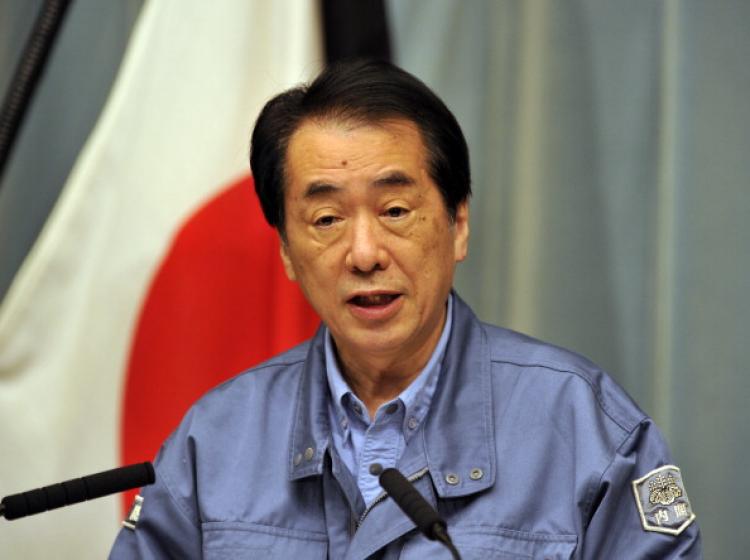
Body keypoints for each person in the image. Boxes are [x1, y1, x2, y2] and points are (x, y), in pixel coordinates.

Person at [110, 60, 702, 559]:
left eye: (395, 210)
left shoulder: (588, 431)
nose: (364, 254)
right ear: (288, 252)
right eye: (327, 220)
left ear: (458, 225)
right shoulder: (214, 440)